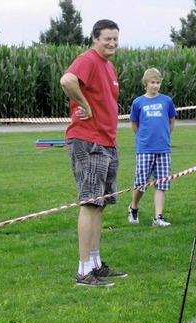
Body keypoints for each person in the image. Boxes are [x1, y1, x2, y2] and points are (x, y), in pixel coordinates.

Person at [60, 19, 126, 287]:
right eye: (106, 39)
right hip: (89, 141)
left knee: (99, 205)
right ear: (95, 39)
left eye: (115, 39)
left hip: (107, 142)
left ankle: (96, 264)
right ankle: (83, 270)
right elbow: (67, 80)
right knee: (89, 203)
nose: (111, 43)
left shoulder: (108, 66)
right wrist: (84, 104)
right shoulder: (87, 59)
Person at [128, 68, 177, 226]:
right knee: (141, 183)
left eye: (157, 83)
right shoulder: (138, 102)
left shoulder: (167, 101)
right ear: (146, 83)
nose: (155, 86)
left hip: (163, 149)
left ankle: (158, 216)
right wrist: (144, 138)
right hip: (144, 149)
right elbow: (134, 125)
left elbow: (171, 122)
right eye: (152, 83)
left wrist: (163, 137)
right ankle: (134, 207)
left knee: (161, 184)